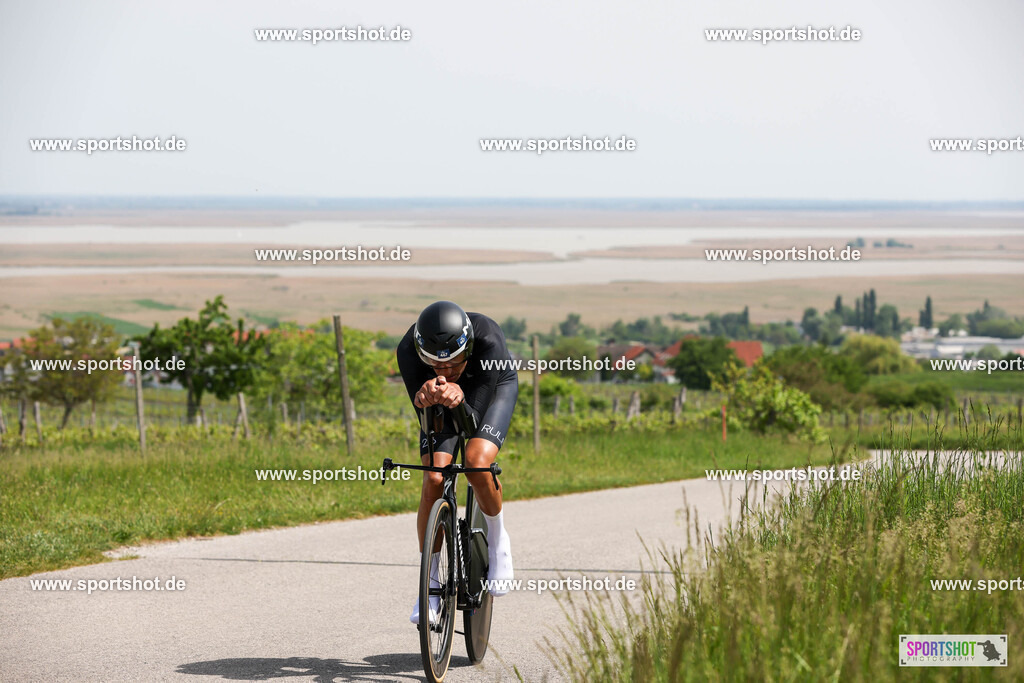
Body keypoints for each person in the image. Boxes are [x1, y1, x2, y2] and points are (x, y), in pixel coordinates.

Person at [396, 300, 518, 625]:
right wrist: (425, 398)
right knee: (434, 477)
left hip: (491, 388)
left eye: (452, 364)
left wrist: (460, 396)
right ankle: (430, 583)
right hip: (441, 399)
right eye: (435, 365)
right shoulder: (408, 351)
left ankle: (498, 540)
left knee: (477, 463)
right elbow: (430, 427)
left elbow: (472, 422)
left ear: (469, 347)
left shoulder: (488, 338)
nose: (444, 371)